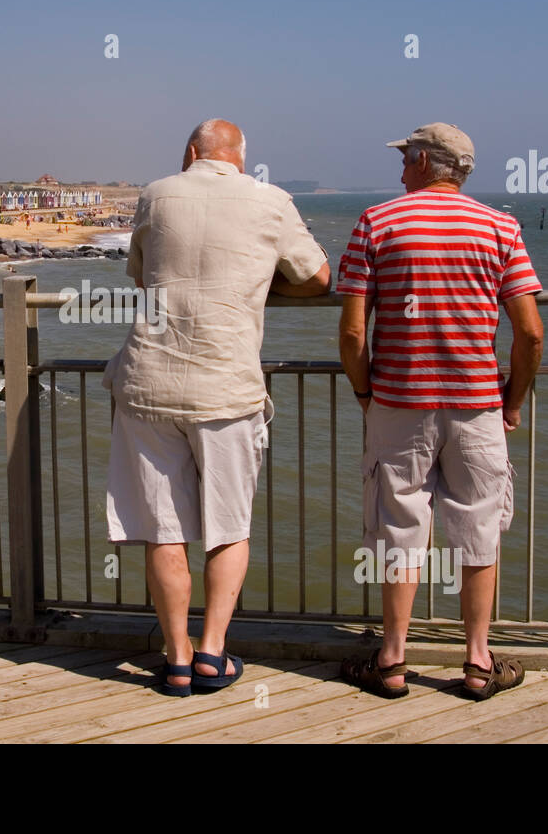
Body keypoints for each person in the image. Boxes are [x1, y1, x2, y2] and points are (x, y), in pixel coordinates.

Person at [103, 118, 331, 696]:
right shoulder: (272, 200)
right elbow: (320, 279)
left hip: (149, 385)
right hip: (227, 389)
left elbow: (143, 274)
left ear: (190, 152)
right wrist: (260, 287)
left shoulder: (155, 194)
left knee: (163, 529)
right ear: (242, 160)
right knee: (229, 528)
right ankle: (212, 654)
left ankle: (175, 658)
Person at [336, 123, 545, 701]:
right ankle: (478, 663)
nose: (400, 167)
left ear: (425, 161)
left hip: (398, 405)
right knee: (478, 530)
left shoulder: (378, 223)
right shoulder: (502, 227)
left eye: (406, 157)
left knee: (400, 528)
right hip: (476, 404)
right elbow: (529, 334)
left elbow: (353, 332)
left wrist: (363, 393)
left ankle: (393, 661)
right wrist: (513, 400)